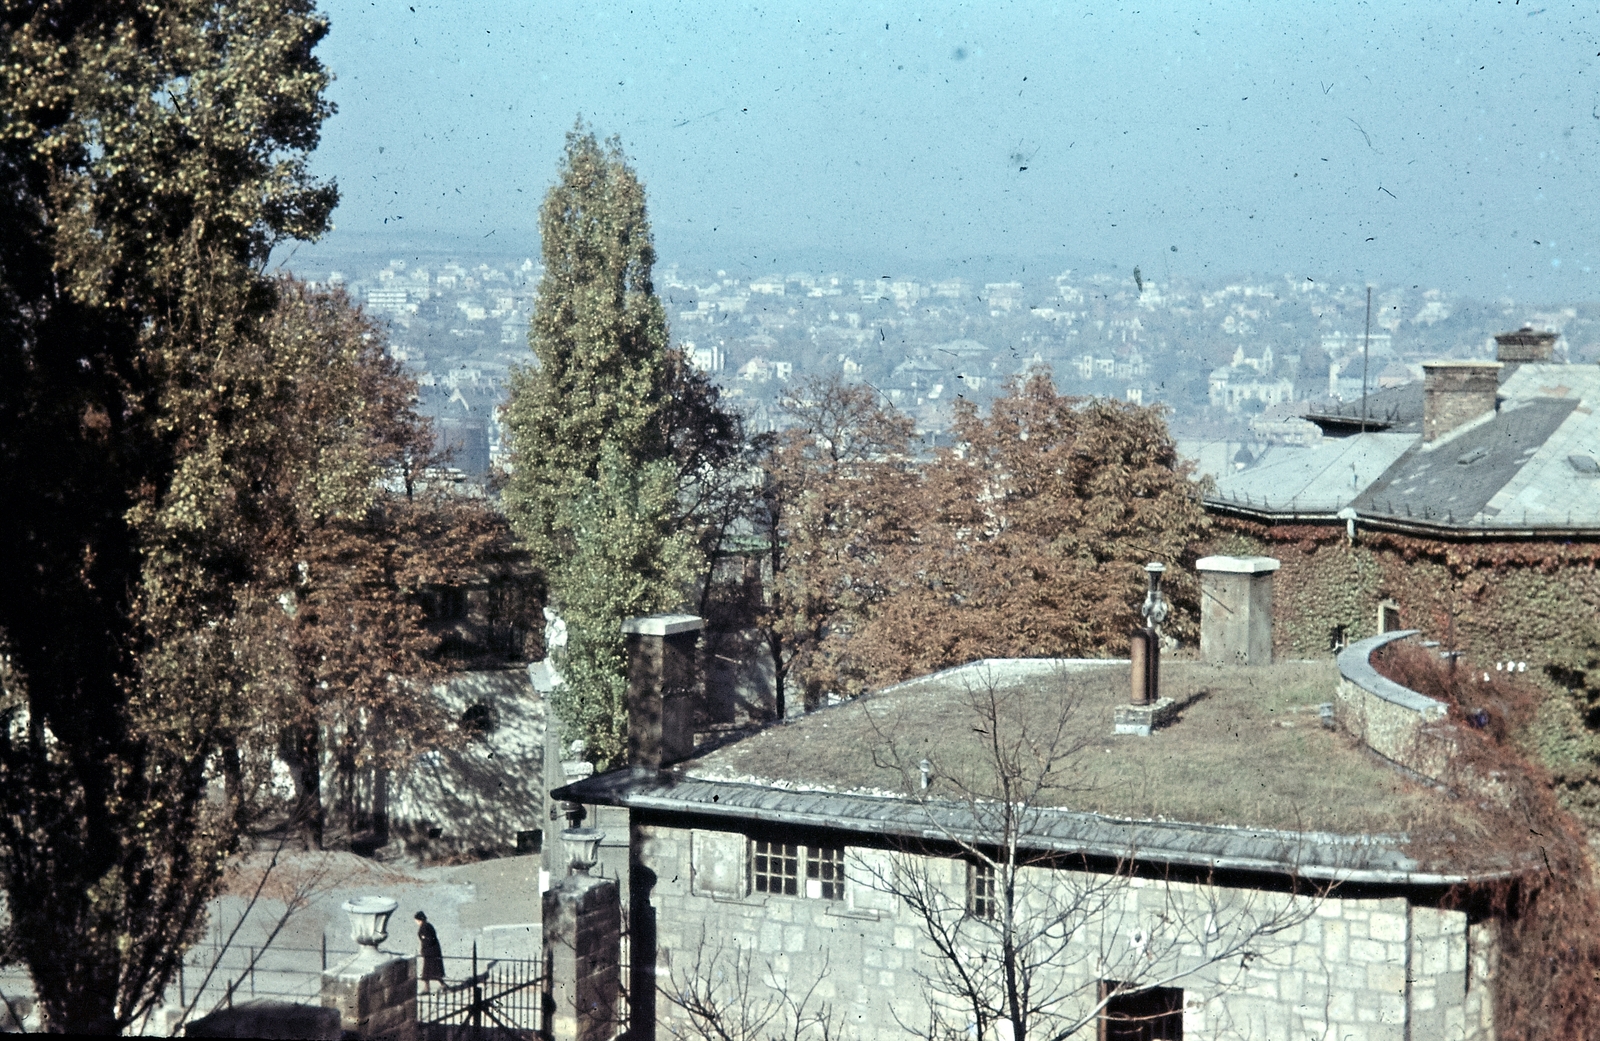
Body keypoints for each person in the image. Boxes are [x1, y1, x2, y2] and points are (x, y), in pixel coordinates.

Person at [415, 911, 445, 993]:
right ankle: (435, 986)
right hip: (431, 951)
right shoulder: (427, 926)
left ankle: (429, 988)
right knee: (431, 970)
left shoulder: (425, 927)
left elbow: (427, 940)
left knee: (429, 970)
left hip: (430, 952)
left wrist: (423, 949)